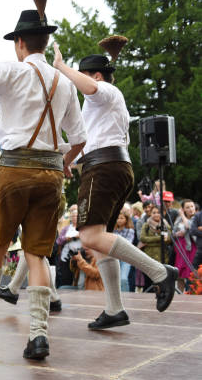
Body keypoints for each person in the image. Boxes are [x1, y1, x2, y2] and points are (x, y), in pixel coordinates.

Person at [0, 0, 87, 360]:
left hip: (14, 171)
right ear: (44, 43)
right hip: (51, 177)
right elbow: (79, 137)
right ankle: (39, 335)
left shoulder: (12, 70)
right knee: (37, 256)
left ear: (20, 44)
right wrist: (63, 161)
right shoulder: (63, 82)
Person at [53, 35, 177, 330]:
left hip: (105, 168)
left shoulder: (105, 90)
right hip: (111, 166)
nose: (78, 84)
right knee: (101, 243)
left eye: (82, 77)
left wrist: (60, 66)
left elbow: (92, 87)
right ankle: (114, 309)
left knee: (91, 237)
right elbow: (87, 141)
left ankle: (160, 272)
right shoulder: (103, 104)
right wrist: (68, 162)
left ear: (95, 75)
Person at [173, 199, 197, 292]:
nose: (191, 209)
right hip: (180, 247)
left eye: (192, 206)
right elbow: (173, 232)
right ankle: (180, 294)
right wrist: (177, 234)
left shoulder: (197, 217)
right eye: (187, 207)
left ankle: (192, 293)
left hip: (192, 248)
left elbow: (188, 226)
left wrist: (182, 215)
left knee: (191, 273)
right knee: (180, 274)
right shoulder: (178, 219)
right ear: (183, 209)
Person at [113, 210, 135, 292]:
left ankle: (126, 297)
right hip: (114, 257)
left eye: (121, 218)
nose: (119, 220)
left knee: (123, 279)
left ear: (126, 219)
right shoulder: (113, 230)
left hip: (125, 258)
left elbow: (128, 244)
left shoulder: (130, 230)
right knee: (114, 280)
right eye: (118, 218)